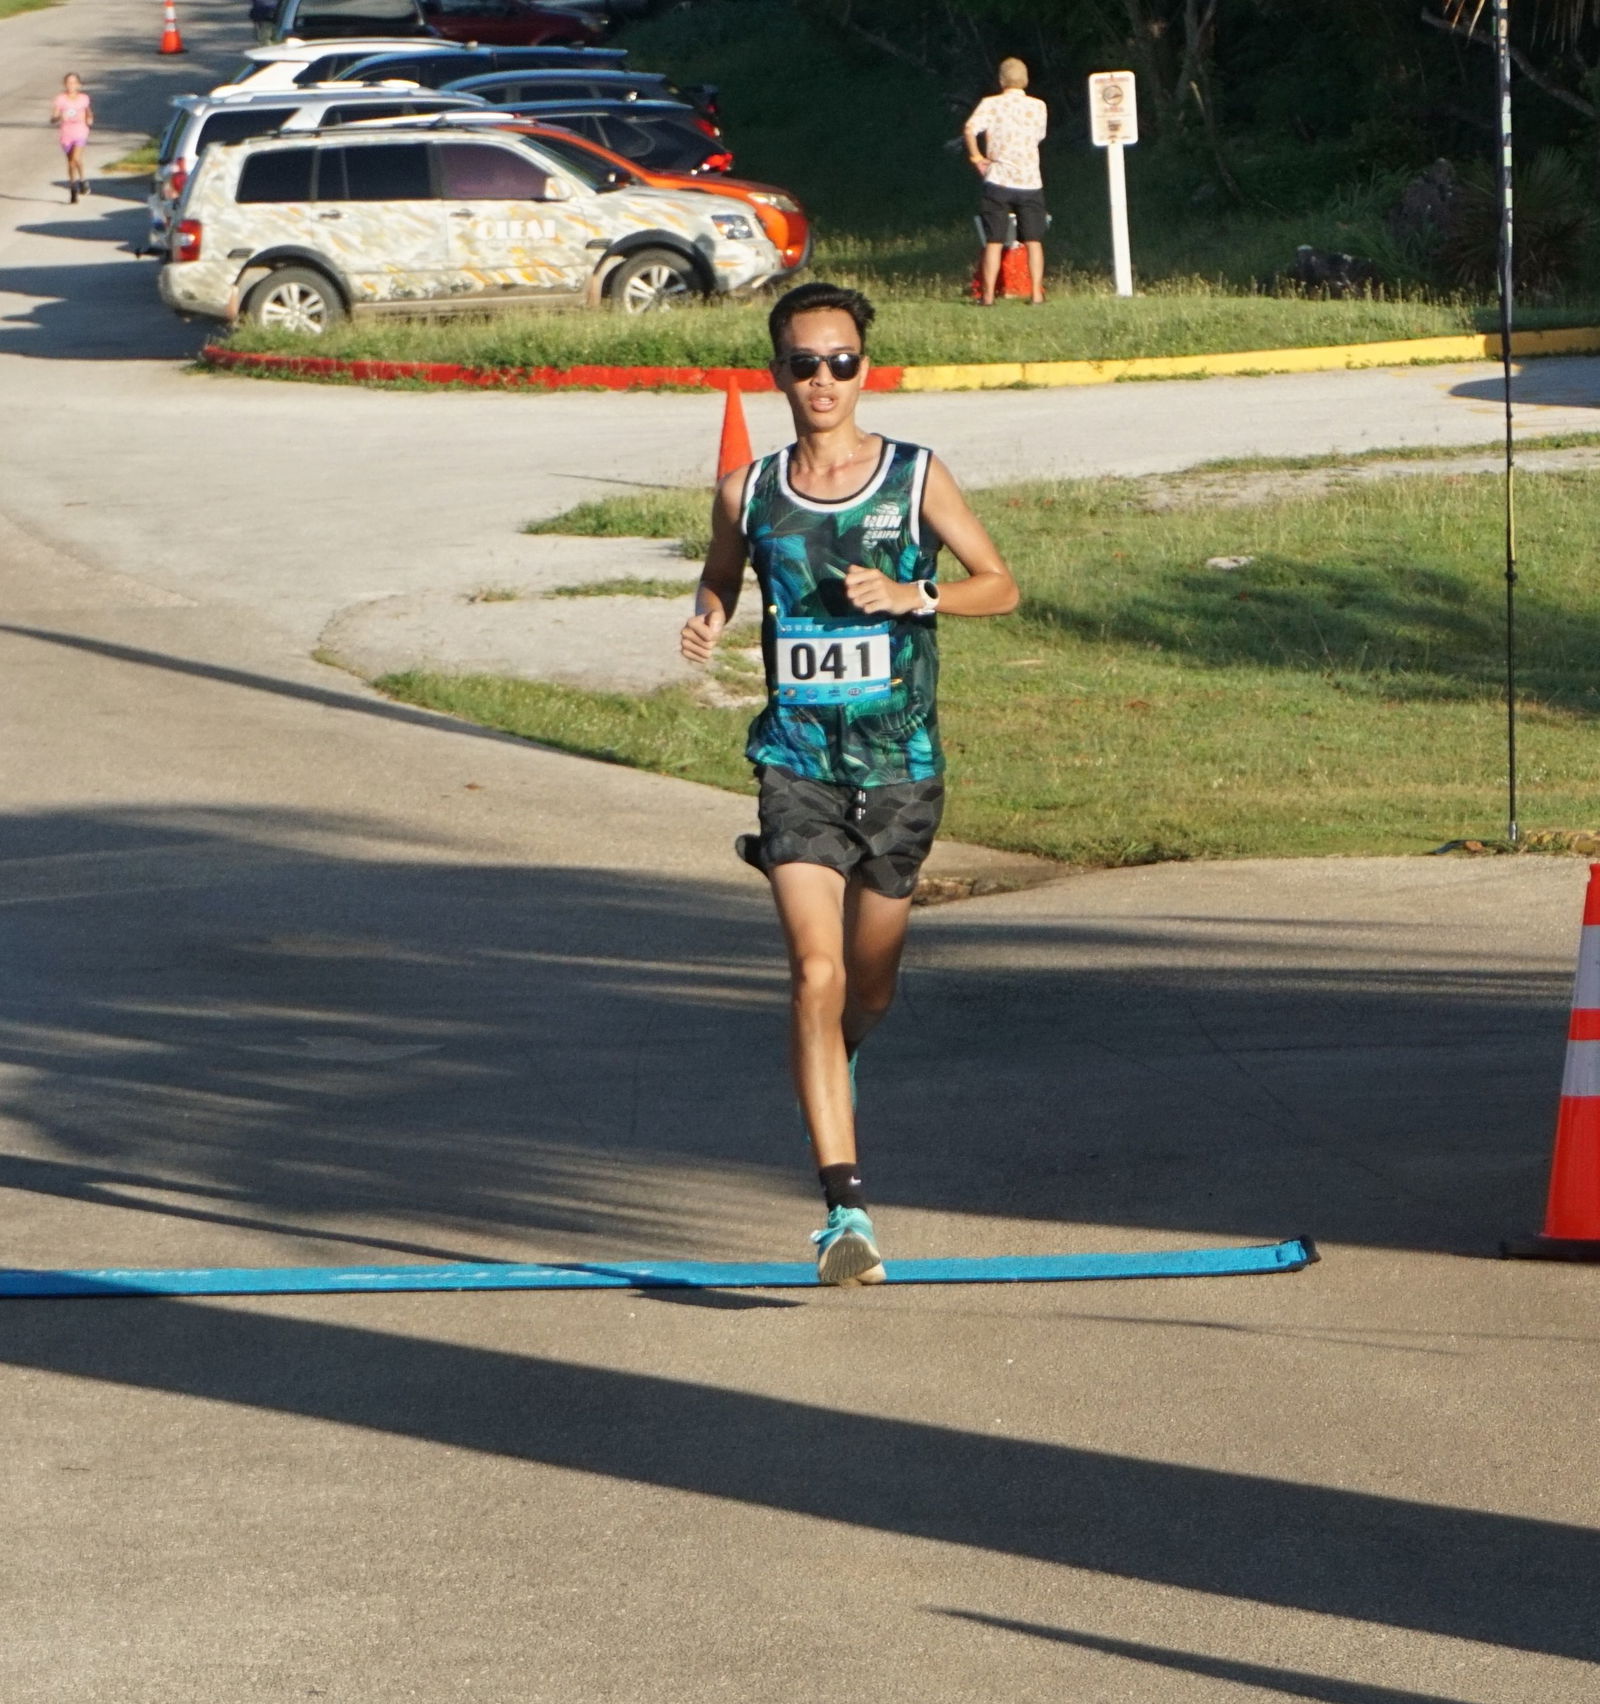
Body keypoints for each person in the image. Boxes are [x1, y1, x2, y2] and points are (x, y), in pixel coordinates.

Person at [679, 281, 1019, 1285]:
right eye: (802, 363)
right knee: (814, 976)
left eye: (841, 362)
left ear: (864, 369)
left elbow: (1000, 584)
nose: (823, 380)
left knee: (867, 987)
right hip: (794, 766)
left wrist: (917, 593)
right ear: (776, 372)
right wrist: (707, 615)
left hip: (901, 769)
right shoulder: (752, 489)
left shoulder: (913, 476)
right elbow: (722, 574)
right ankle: (843, 1213)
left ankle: (844, 1049)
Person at [963, 57, 1048, 306]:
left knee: (994, 241)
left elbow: (970, 129)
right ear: (1026, 80)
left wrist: (976, 156)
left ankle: (987, 297)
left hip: (998, 179)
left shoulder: (991, 104)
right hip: (1030, 180)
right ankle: (1036, 294)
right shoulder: (1038, 106)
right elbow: (1039, 136)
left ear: (1001, 80)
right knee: (1034, 241)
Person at [50, 73, 93, 204]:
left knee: (75, 158)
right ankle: (80, 181)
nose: (71, 85)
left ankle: (73, 189)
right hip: (66, 133)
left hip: (80, 131)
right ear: (65, 84)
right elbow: (54, 118)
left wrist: (89, 119)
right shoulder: (61, 99)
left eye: (74, 83)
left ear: (79, 85)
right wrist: (58, 117)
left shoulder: (83, 98)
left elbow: (88, 112)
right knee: (72, 162)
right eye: (69, 83)